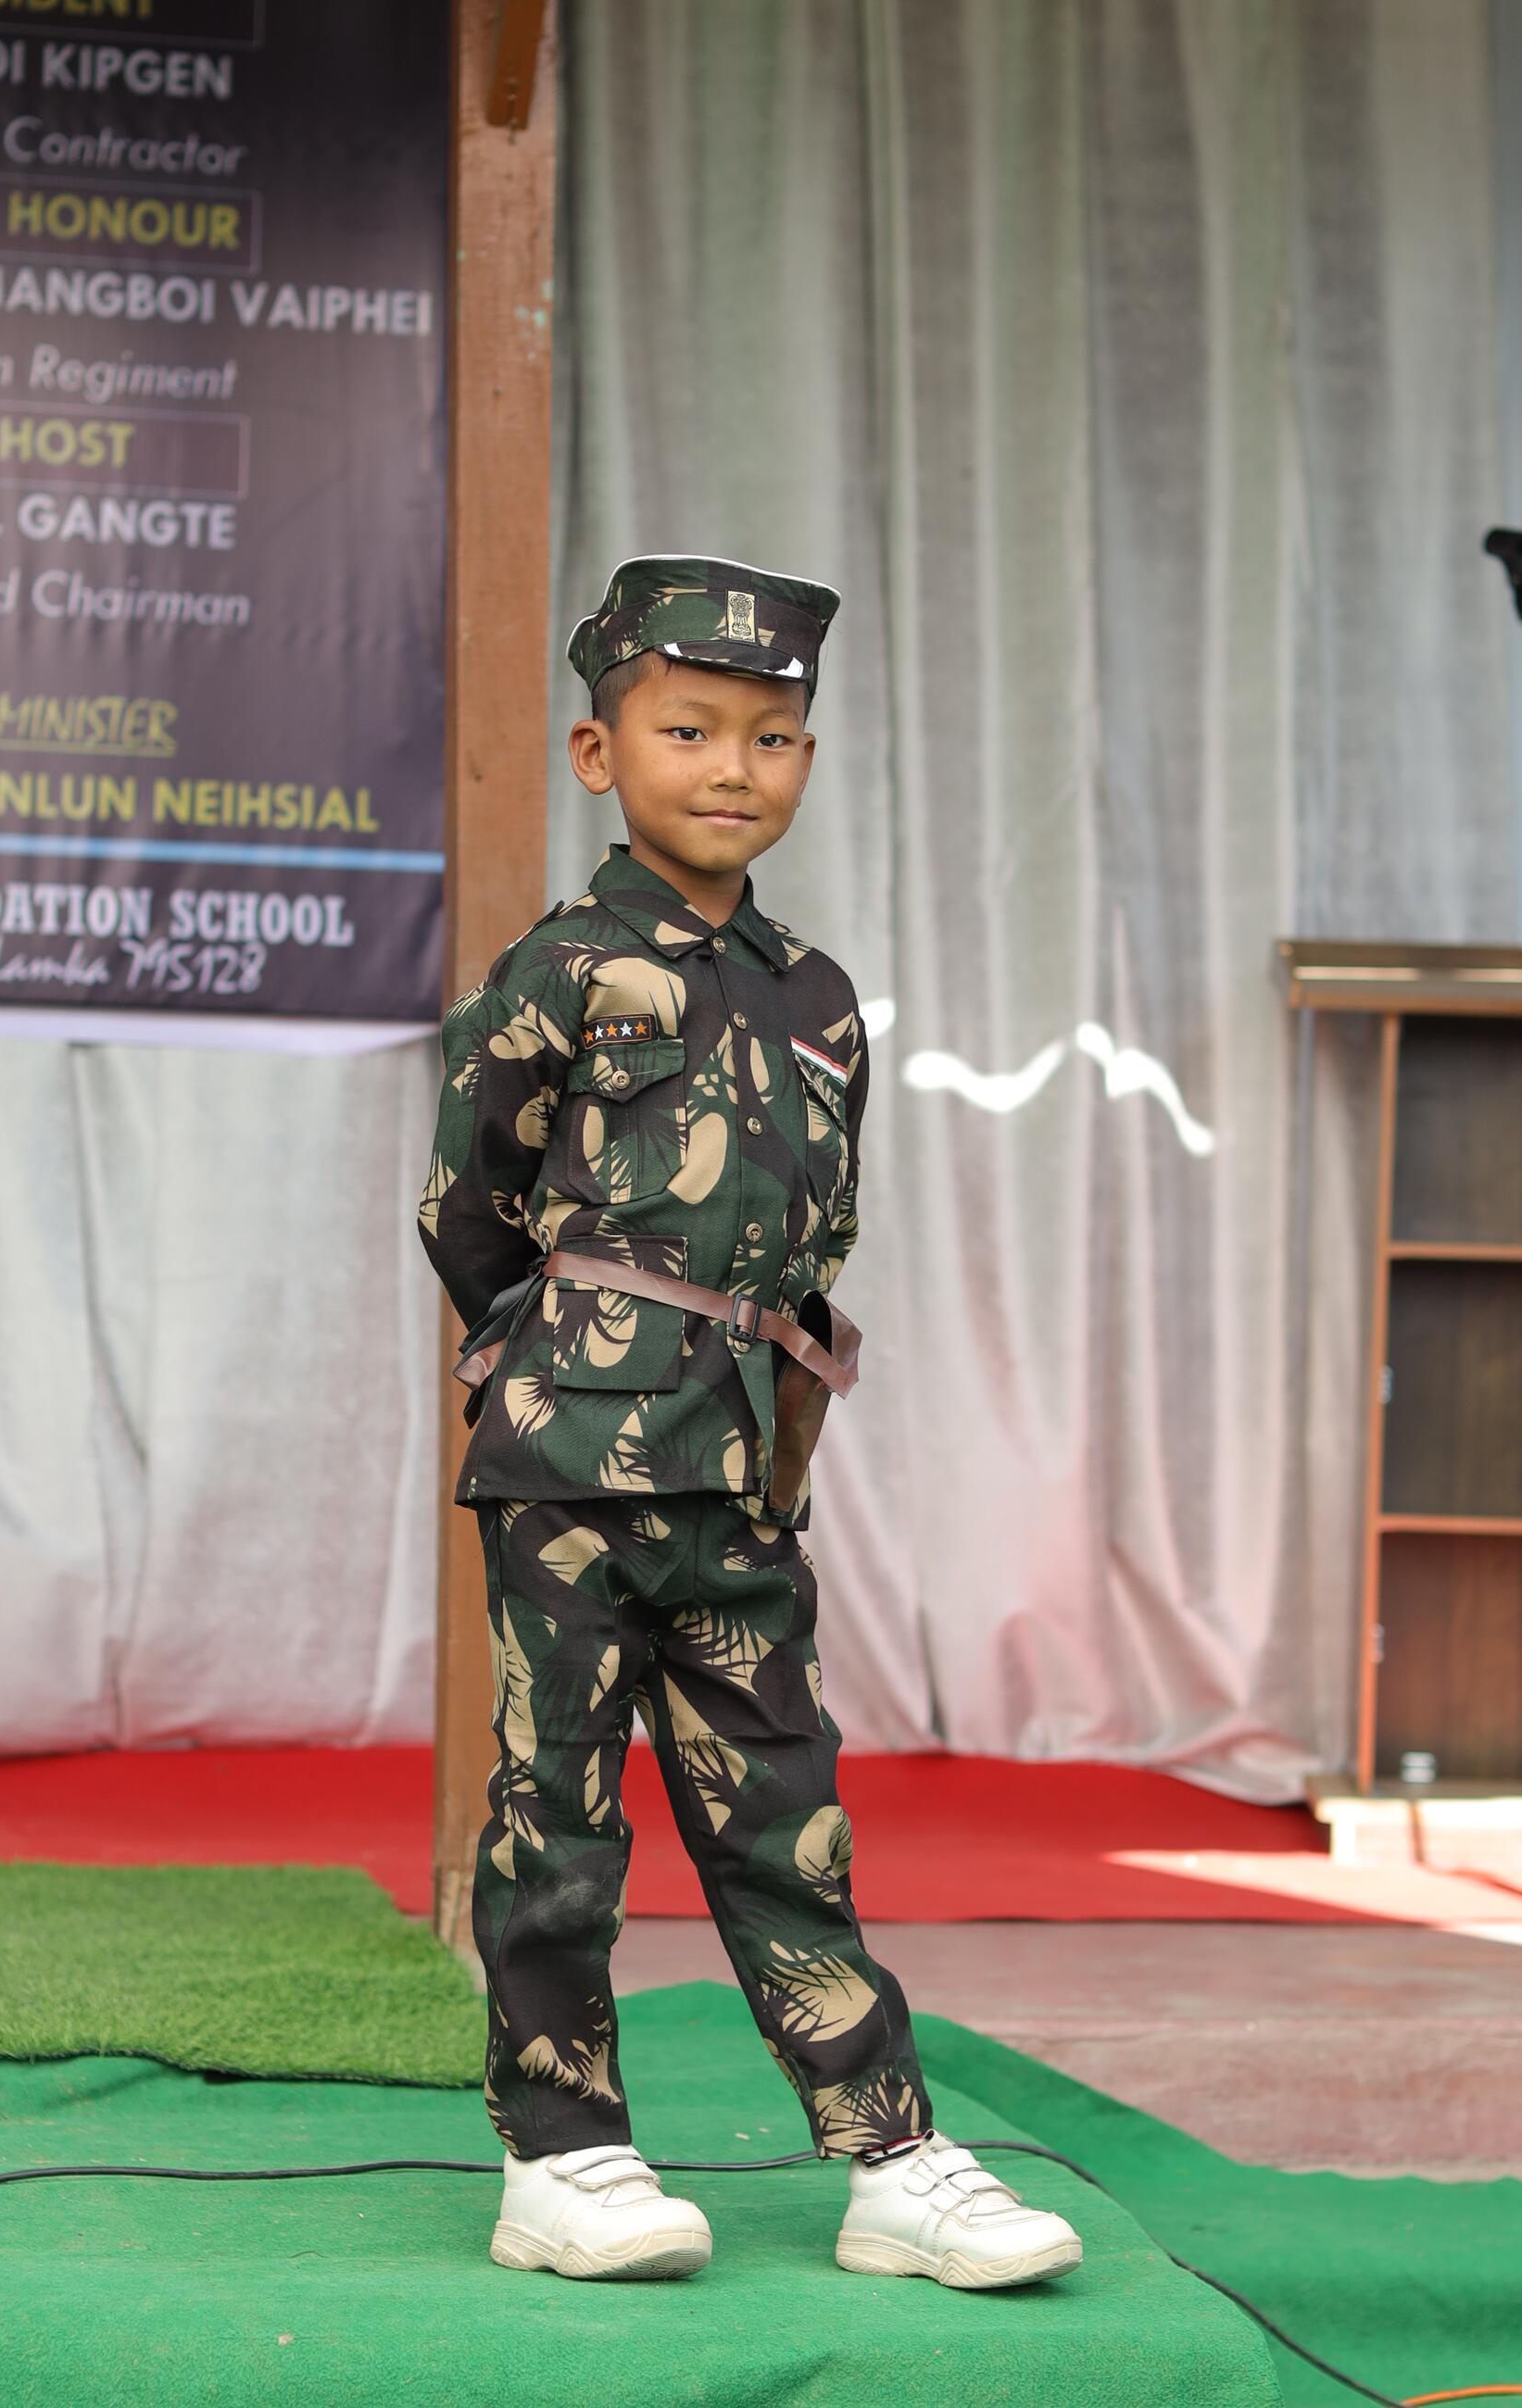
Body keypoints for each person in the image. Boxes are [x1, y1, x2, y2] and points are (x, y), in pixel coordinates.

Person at [418, 555, 1083, 2289]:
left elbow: (816, 1231)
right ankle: (561, 2155)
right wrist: (569, 1354)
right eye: (689, 728)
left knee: (786, 1809)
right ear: (598, 752)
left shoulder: (818, 995)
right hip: (569, 1463)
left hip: (739, 1466)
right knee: (558, 1814)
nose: (733, 767)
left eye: (772, 738)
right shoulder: (560, 969)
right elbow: (467, 1207)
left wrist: (742, 1395)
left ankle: (891, 2159)